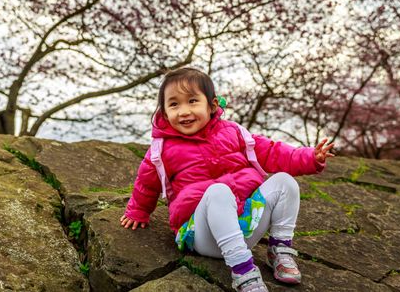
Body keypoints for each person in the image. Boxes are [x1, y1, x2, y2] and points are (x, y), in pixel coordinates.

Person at [120, 67, 335, 292]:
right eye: (174, 104)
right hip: (202, 235)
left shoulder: (234, 132)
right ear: (163, 112)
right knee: (218, 191)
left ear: (212, 105)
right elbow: (147, 182)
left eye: (192, 101)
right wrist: (138, 211)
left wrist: (312, 157)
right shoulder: (163, 148)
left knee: (285, 181)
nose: (184, 111)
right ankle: (244, 272)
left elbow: (272, 152)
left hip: (245, 225)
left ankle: (279, 250)